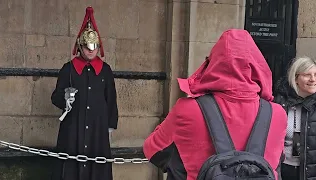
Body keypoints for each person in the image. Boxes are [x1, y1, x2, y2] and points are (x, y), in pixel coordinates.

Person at [143, 29, 287, 180]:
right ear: (258, 66)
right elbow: (278, 160)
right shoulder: (277, 114)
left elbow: (153, 150)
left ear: (212, 63)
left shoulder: (188, 109)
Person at [51, 6, 118, 180]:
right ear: (80, 46)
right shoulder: (68, 69)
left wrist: (110, 126)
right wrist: (64, 97)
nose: (91, 50)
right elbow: (55, 96)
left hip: (98, 130)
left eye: (94, 46)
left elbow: (111, 99)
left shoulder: (105, 71)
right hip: (73, 129)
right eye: (87, 46)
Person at [274, 56, 316, 180]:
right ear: (296, 78)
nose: (313, 79)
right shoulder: (279, 102)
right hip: (283, 168)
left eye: (315, 74)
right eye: (307, 75)